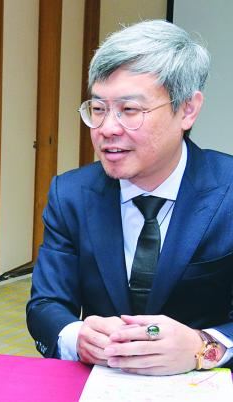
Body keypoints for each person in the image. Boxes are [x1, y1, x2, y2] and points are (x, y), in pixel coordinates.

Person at [27, 20, 233, 375]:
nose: (107, 129)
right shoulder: (71, 193)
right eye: (98, 108)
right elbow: (46, 304)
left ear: (187, 110)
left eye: (130, 110)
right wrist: (76, 336)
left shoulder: (227, 190)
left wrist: (204, 346)